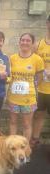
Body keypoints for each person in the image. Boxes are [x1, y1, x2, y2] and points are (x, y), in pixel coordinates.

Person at [7, 33, 44, 141]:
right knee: (13, 122)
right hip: (13, 98)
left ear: (32, 43)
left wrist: (31, 88)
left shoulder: (37, 59)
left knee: (26, 124)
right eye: (23, 40)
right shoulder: (12, 58)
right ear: (19, 42)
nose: (25, 42)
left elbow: (40, 77)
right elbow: (9, 76)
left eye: (28, 40)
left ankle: (25, 149)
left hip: (29, 99)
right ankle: (12, 146)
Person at [31, 15, 50, 147]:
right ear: (47, 23)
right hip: (41, 88)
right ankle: (35, 139)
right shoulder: (38, 44)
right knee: (39, 115)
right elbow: (31, 62)